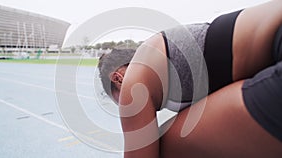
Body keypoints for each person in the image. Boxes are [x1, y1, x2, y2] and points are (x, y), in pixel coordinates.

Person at [97, 0, 282, 157]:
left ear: (118, 79)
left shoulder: (133, 81)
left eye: (118, 101)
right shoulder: (157, 56)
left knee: (166, 146)